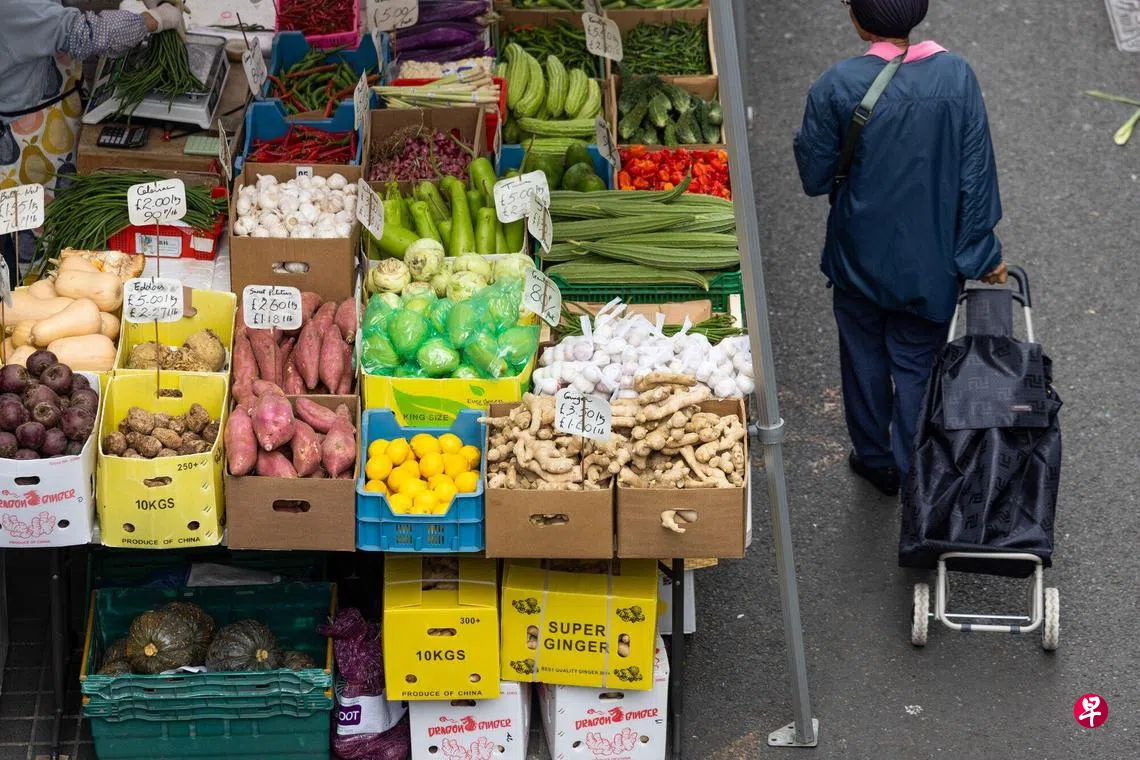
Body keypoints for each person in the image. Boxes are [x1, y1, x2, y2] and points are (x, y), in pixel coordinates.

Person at [794, 0, 1007, 496]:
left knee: (863, 358)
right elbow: (976, 177)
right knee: (916, 367)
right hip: (931, 266)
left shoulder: (836, 85)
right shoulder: (956, 76)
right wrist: (981, 253)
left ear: (858, 19)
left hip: (858, 258)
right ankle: (919, 481)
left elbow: (815, 176)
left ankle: (876, 459)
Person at [0, 0, 185, 287]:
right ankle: (32, 294)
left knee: (60, 229)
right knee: (36, 248)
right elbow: (86, 33)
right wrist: (153, 20)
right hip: (26, 144)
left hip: (55, 119)